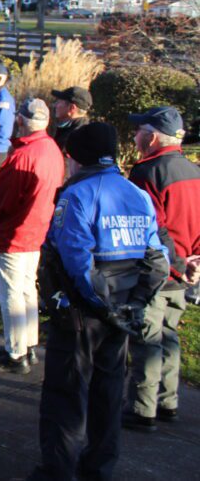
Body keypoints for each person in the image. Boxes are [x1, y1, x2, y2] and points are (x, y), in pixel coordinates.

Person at [31, 122, 168, 481]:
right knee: (108, 391)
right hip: (122, 310)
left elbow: (76, 260)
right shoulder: (137, 194)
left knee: (65, 393)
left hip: (82, 313)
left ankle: (57, 471)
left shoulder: (76, 196)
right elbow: (158, 259)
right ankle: (99, 468)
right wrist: (134, 305)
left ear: (75, 157)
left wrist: (102, 306)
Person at [122, 106, 200, 431]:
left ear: (152, 137)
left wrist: (179, 266)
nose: (135, 135)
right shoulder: (194, 171)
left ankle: (143, 409)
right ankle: (168, 402)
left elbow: (155, 228)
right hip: (185, 272)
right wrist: (193, 264)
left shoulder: (147, 172)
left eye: (139, 130)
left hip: (159, 272)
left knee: (146, 340)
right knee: (169, 337)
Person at [0, 98, 63, 373]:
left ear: (22, 121)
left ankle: (15, 353)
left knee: (12, 294)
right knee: (26, 289)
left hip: (15, 233)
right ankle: (28, 344)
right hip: (36, 230)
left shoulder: (24, 155)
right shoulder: (50, 149)